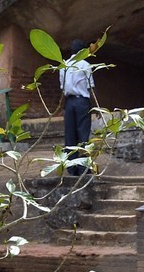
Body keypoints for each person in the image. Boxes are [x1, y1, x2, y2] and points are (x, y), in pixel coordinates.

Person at [59, 40, 95, 174]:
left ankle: (71, 168)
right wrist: (95, 106)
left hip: (69, 102)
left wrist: (63, 106)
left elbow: (63, 88)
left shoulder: (64, 65)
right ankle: (83, 167)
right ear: (83, 51)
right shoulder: (85, 65)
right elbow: (90, 87)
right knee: (83, 134)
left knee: (70, 135)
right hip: (82, 102)